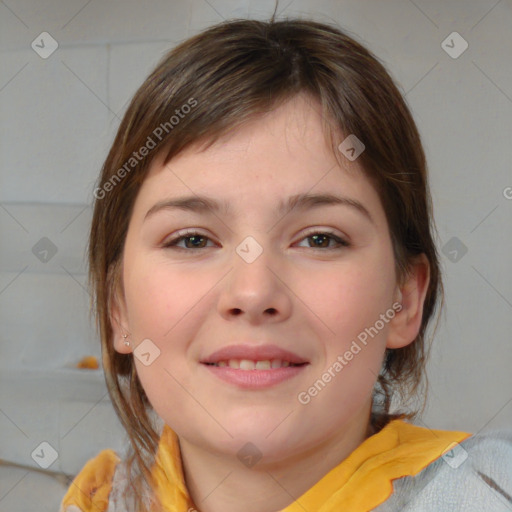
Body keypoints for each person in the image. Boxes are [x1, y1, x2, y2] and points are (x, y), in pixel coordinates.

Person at [60, 12, 512, 512]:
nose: (253, 294)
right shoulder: (96, 501)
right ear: (117, 306)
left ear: (404, 299)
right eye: (191, 241)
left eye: (319, 239)